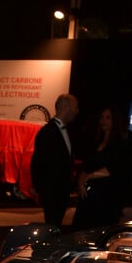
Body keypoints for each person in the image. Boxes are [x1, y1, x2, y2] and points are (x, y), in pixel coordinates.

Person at [72, 104, 132, 230]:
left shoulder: (120, 143)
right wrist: (81, 181)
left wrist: (88, 176)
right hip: (90, 196)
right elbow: (87, 165)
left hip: (107, 196)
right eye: (101, 117)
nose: (103, 121)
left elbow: (114, 168)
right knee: (80, 230)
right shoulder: (96, 142)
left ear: (114, 121)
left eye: (108, 118)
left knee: (100, 232)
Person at [30, 93, 79, 229]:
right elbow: (38, 160)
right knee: (52, 225)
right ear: (65, 107)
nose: (77, 111)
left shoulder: (66, 130)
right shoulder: (47, 132)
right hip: (52, 191)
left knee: (55, 224)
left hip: (61, 190)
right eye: (75, 107)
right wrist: (38, 186)